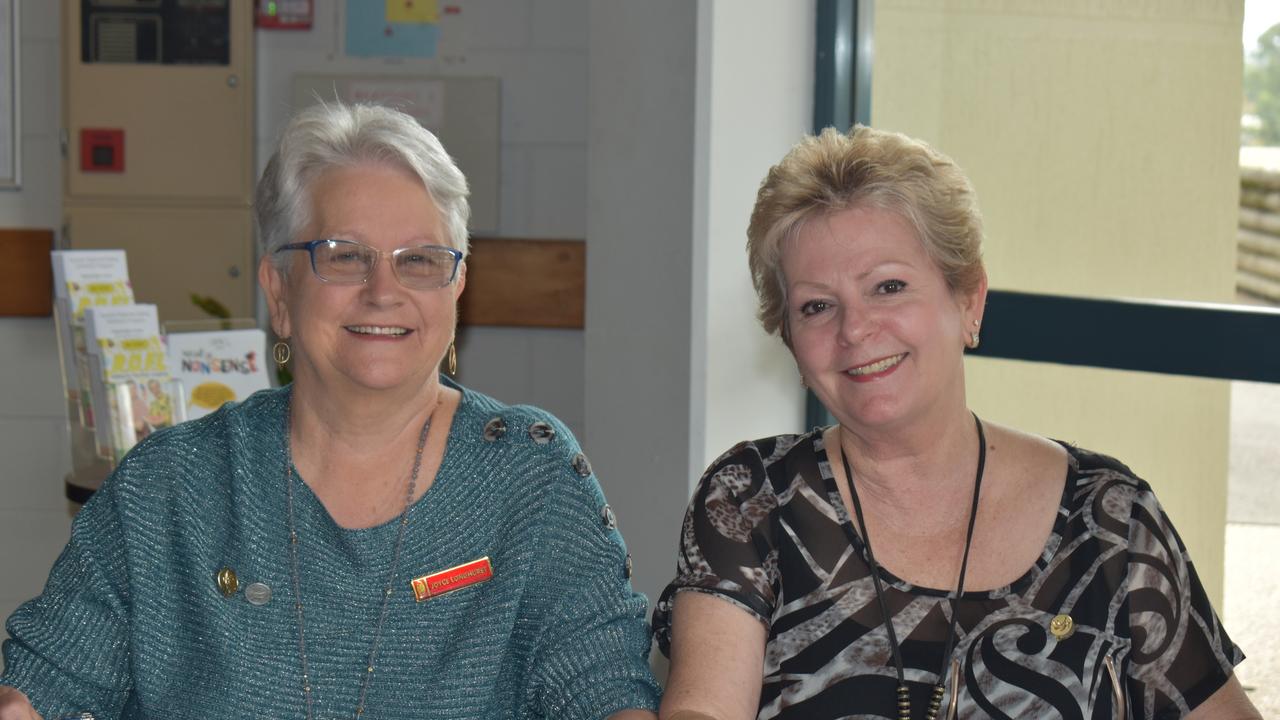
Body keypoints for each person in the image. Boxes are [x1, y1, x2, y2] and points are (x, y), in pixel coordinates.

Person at [0, 102, 660, 720]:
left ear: (458, 289)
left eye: (420, 261)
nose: (383, 291)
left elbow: (606, 689)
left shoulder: (530, 474)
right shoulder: (169, 488)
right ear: (278, 292)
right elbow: (41, 689)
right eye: (343, 257)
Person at [653, 126, 1259, 719]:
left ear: (969, 301)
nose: (855, 329)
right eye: (817, 306)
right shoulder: (751, 500)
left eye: (888, 287)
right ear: (789, 340)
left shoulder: (1110, 519)